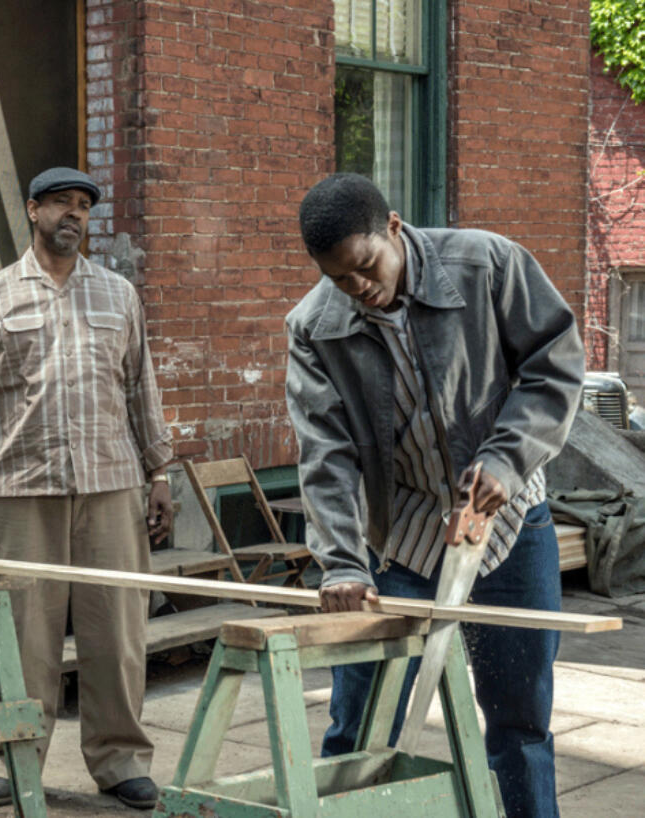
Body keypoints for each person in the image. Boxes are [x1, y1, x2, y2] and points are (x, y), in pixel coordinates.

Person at [285, 173, 584, 818]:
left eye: (365, 266)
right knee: (364, 721)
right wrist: (341, 562)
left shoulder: (486, 263)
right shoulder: (314, 327)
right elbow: (325, 455)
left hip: (510, 524)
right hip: (402, 535)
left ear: (393, 226)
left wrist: (507, 459)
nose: (358, 287)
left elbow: (554, 363)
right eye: (338, 279)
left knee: (520, 721)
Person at [0, 167, 174, 810]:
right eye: (62, 205)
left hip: (111, 485)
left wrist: (160, 473)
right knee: (20, 636)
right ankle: (11, 757)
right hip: (20, 488)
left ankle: (120, 759)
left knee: (118, 633)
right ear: (34, 211)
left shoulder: (119, 295)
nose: (75, 215)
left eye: (84, 207)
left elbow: (141, 389)